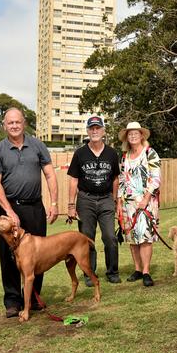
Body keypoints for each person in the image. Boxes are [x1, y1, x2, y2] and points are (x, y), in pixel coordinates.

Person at [0, 108, 59, 318]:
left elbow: (50, 175)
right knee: (9, 257)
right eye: (10, 123)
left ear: (24, 123)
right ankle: (12, 301)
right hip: (8, 209)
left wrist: (54, 203)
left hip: (34, 207)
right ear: (4, 125)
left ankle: (34, 298)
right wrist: (9, 212)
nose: (14, 126)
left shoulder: (37, 145)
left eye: (18, 122)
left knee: (38, 254)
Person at [67, 116, 121, 286]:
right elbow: (73, 180)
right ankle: (89, 273)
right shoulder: (80, 153)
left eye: (98, 128)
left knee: (110, 237)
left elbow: (115, 179)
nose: (95, 131)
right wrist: (70, 205)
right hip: (85, 200)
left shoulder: (111, 153)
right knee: (86, 238)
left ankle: (112, 271)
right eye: (92, 128)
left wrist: (115, 200)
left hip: (106, 199)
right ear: (88, 131)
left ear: (103, 131)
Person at [116, 121, 162, 287]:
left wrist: (146, 199)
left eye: (136, 133)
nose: (133, 136)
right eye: (130, 134)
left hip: (146, 202)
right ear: (127, 138)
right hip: (129, 203)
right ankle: (137, 269)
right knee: (132, 238)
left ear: (141, 135)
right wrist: (119, 202)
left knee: (145, 236)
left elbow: (156, 178)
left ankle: (146, 271)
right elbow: (121, 180)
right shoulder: (124, 157)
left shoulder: (150, 153)